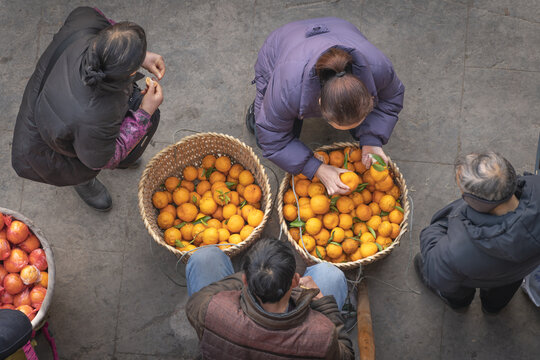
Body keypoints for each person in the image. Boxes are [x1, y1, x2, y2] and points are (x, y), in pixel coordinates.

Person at [12, 7, 165, 211]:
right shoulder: (98, 115)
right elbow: (102, 159)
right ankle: (83, 183)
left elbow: (104, 22)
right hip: (45, 146)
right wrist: (145, 113)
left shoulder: (85, 21)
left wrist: (139, 56)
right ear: (128, 75)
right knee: (79, 162)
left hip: (48, 96)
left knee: (94, 141)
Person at [247, 17, 404, 195]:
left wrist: (371, 139)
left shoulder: (378, 68)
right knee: (263, 130)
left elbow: (392, 98)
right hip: (282, 46)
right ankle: (256, 110)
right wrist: (316, 168)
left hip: (339, 28)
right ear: (319, 103)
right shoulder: (287, 90)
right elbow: (272, 139)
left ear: (369, 94)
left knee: (362, 127)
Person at [186, 239, 354, 359]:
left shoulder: (212, 309)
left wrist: (257, 278)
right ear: (295, 281)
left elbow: (195, 301)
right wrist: (324, 305)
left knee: (205, 257)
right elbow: (346, 355)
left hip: (227, 337)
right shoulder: (321, 336)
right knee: (330, 275)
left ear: (245, 280)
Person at [415, 152, 540, 313]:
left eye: (463, 193)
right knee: (503, 290)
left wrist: (433, 231)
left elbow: (436, 276)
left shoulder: (458, 249)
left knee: (455, 284)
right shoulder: (536, 185)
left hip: (475, 274)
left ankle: (459, 303)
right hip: (518, 272)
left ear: (475, 201)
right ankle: (493, 307)